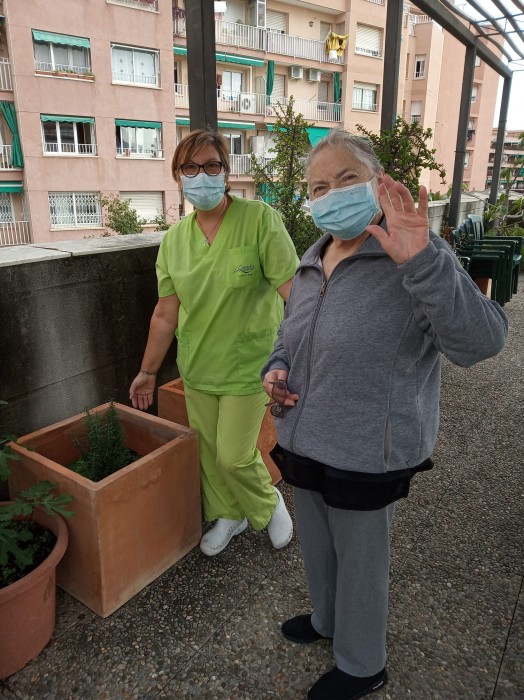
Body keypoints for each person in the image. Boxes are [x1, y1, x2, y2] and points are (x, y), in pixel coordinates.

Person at [261, 129, 508, 700]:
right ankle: (326, 620)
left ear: (376, 181)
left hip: (368, 449)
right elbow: (289, 336)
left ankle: (362, 663)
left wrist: (423, 261)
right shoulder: (311, 259)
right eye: (318, 187)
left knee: (361, 563)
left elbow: (483, 342)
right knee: (318, 545)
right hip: (303, 438)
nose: (331, 194)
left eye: (346, 178)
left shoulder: (415, 254)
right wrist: (276, 369)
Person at [130, 129, 299, 556]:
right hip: (199, 365)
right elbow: (165, 313)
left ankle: (267, 503)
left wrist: (304, 355)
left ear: (226, 173)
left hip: (251, 364)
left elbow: (294, 293)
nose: (200, 175)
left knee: (233, 455)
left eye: (211, 165)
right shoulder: (174, 241)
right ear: (177, 175)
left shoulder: (260, 220)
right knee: (208, 452)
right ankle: (228, 513)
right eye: (190, 167)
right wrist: (148, 371)